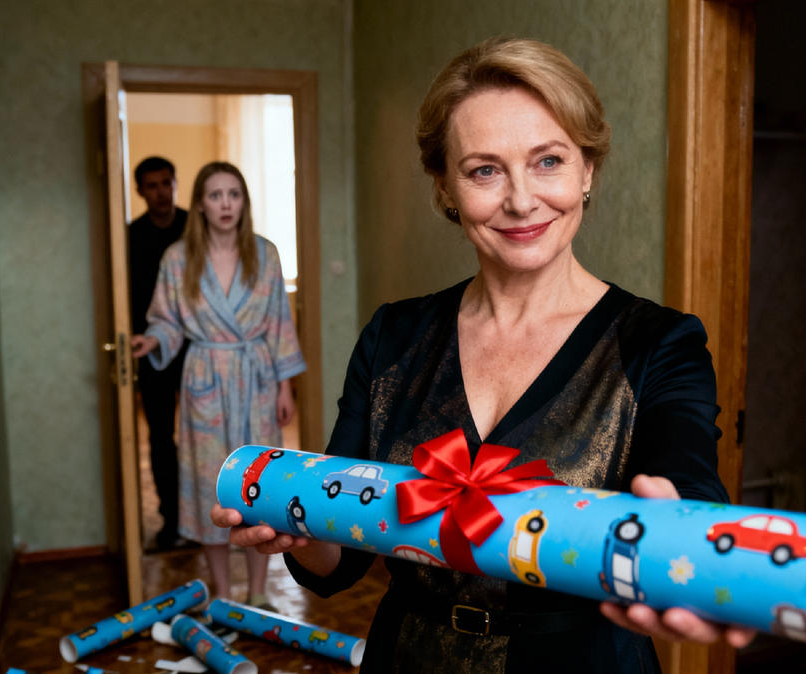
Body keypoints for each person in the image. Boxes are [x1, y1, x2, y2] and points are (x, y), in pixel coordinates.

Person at [212, 37, 755, 672]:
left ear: (587, 170)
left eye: (548, 160)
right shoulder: (394, 337)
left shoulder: (658, 343)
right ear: (445, 186)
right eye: (484, 171)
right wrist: (298, 532)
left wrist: (685, 540)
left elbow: (688, 488)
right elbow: (340, 559)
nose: (521, 200)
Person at [132, 161, 306, 610]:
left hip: (256, 377)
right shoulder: (178, 259)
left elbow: (279, 323)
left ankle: (259, 592)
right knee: (212, 485)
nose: (226, 204)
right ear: (200, 205)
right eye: (215, 195)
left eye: (234, 194)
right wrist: (154, 339)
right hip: (204, 378)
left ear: (243, 202)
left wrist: (285, 386)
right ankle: (224, 596)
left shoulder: (265, 254)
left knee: (259, 483)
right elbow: (166, 319)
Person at [129, 156, 191, 551]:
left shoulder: (195, 228)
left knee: (203, 436)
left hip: (198, 351)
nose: (161, 192)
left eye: (166, 183)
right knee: (161, 439)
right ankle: (172, 520)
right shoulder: (130, 237)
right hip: (152, 353)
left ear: (175, 184)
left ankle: (210, 518)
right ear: (140, 191)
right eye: (152, 186)